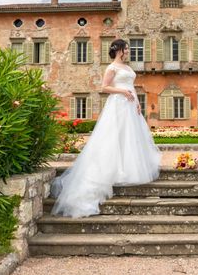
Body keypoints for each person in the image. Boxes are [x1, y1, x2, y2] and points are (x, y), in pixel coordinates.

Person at [51, 39, 161, 218]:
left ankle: (127, 168)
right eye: (127, 48)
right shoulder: (112, 68)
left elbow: (131, 86)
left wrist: (137, 102)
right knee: (114, 137)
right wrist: (123, 92)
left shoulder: (127, 68)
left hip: (130, 105)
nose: (129, 51)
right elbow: (105, 87)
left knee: (129, 138)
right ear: (119, 50)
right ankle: (112, 170)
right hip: (117, 104)